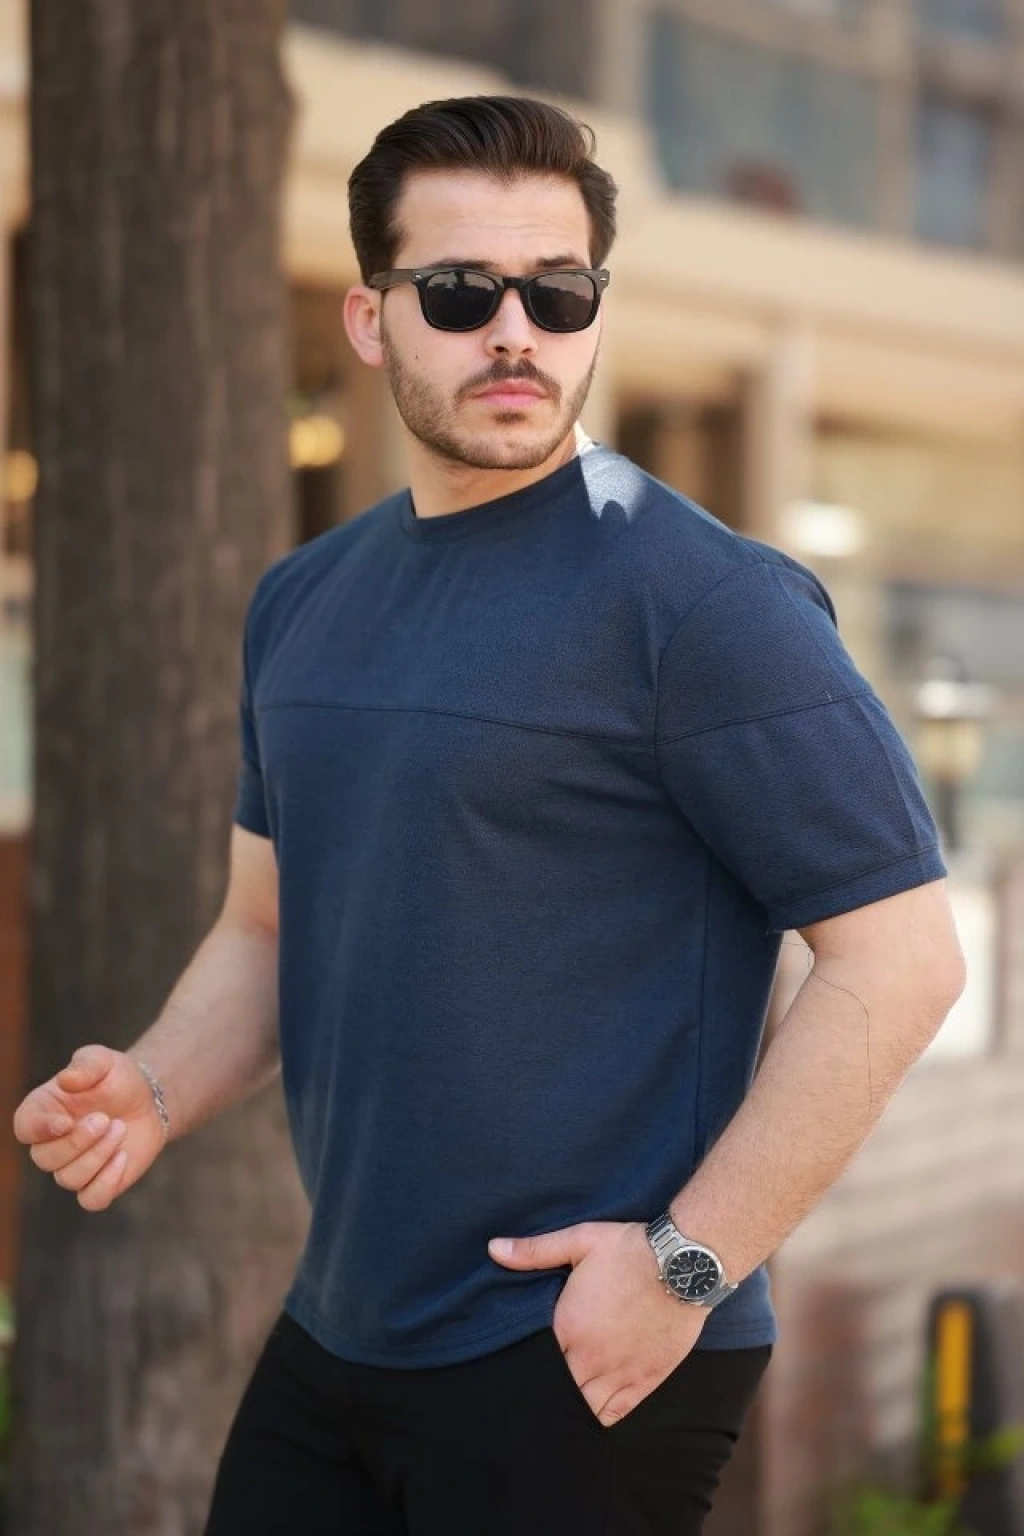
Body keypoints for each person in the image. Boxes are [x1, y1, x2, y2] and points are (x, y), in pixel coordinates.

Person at [14, 95, 966, 1535]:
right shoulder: (303, 603)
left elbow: (900, 963)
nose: (515, 331)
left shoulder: (706, 604)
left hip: (575, 1344)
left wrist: (686, 1266)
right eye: (461, 291)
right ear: (369, 317)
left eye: (557, 292)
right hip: (341, 1323)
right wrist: (150, 1090)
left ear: (595, 312)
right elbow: (269, 930)